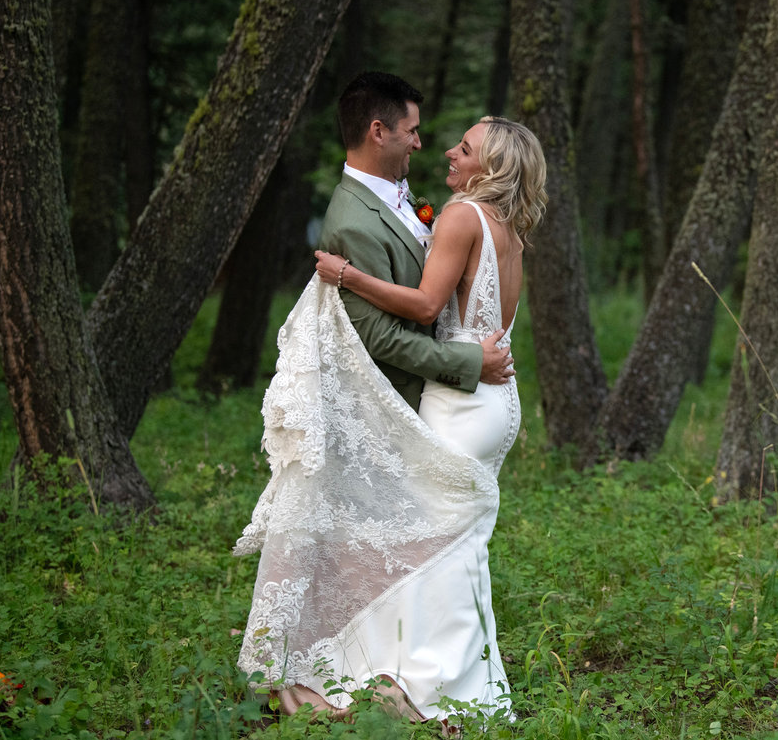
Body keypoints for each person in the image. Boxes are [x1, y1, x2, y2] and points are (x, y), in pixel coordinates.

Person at [233, 72, 545, 727]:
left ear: (488, 164)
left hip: (462, 399)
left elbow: (429, 306)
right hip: (496, 401)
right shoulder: (507, 226)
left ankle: (442, 691)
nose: (443, 150)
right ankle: (457, 684)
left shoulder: (462, 216)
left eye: (462, 146)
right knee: (448, 546)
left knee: (437, 552)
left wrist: (348, 276)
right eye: (432, 136)